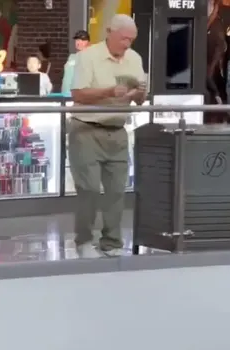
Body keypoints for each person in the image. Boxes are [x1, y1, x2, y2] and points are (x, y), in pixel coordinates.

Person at [70, 14, 146, 258]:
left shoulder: (134, 59)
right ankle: (84, 241)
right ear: (110, 33)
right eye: (124, 39)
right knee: (89, 188)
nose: (127, 44)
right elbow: (78, 94)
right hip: (86, 130)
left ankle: (111, 243)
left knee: (116, 191)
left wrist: (138, 94)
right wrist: (109, 91)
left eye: (131, 40)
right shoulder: (88, 57)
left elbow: (140, 99)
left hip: (117, 131)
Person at [62, 30, 91, 96]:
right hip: (65, 95)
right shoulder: (71, 57)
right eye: (77, 40)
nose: (79, 42)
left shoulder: (90, 58)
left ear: (88, 42)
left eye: (82, 40)